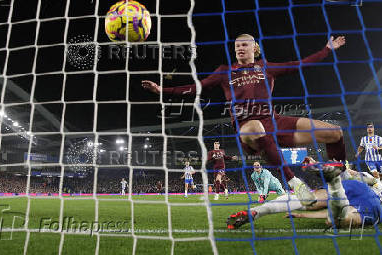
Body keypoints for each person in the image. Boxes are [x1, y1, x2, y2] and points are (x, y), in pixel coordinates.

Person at [142, 34, 346, 206]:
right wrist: (162, 89)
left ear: (254, 47)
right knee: (256, 127)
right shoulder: (225, 72)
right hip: (247, 129)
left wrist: (327, 49)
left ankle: (342, 183)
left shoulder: (265, 67)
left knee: (334, 133)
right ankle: (295, 183)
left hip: (274, 121)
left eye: (244, 44)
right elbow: (197, 87)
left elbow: (298, 65)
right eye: (237, 45)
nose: (240, 48)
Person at [227, 158, 382, 229]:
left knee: (314, 203)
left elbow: (353, 174)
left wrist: (303, 215)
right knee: (330, 215)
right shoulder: (372, 188)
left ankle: (256, 212)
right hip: (374, 207)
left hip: (366, 198)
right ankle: (319, 174)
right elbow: (356, 176)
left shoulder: (366, 181)